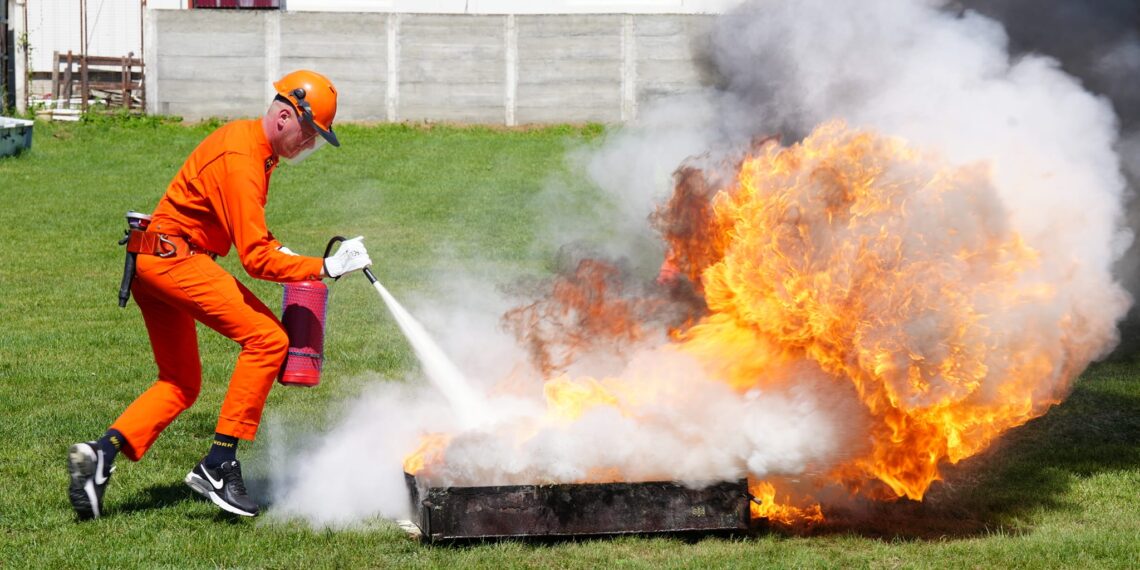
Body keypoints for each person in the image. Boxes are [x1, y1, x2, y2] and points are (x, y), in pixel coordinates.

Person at [66, 70, 372, 519]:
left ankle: (102, 456)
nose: (309, 145)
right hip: (174, 260)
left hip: (155, 257)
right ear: (284, 116)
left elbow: (254, 234)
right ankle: (219, 463)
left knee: (180, 383)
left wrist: (294, 254)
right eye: (309, 133)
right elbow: (255, 258)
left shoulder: (252, 148)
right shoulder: (245, 158)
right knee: (268, 339)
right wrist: (324, 266)